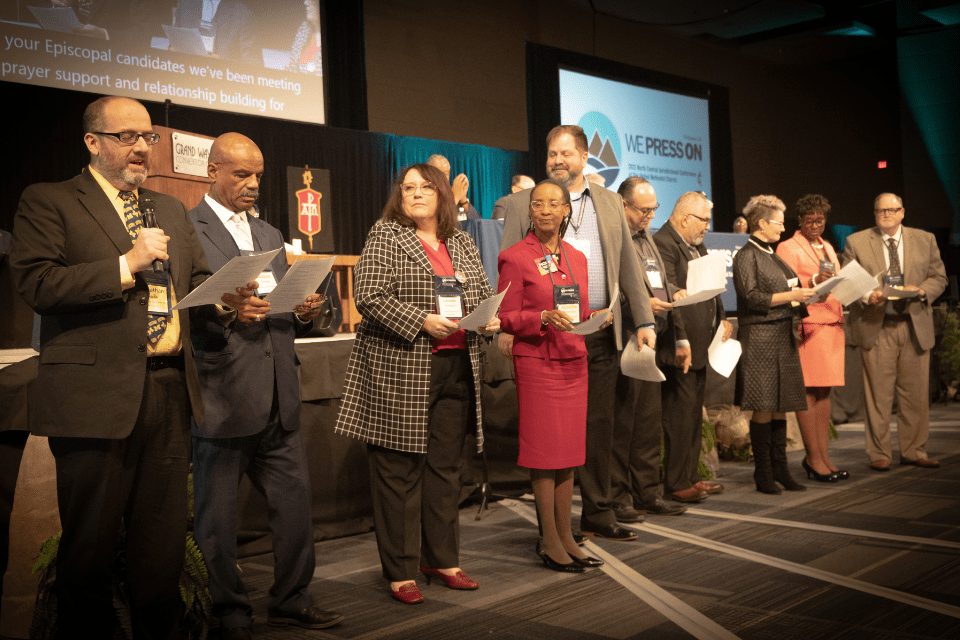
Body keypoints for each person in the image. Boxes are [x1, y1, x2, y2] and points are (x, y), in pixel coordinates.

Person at [8, 96, 216, 639]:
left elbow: (194, 286)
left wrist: (229, 299)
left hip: (168, 392)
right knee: (89, 555)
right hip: (92, 398)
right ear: (92, 142)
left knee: (161, 553)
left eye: (148, 137)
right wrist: (126, 265)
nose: (142, 148)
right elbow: (38, 284)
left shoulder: (169, 208)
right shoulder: (49, 200)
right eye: (127, 137)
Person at [188, 133, 343, 638]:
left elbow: (275, 305)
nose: (253, 183)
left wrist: (300, 309)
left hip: (280, 390)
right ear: (212, 171)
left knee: (295, 507)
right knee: (217, 516)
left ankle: (291, 598)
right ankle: (229, 609)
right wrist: (227, 311)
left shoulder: (271, 232)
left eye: (258, 174)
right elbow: (188, 312)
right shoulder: (190, 228)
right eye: (241, 174)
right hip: (224, 391)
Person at [334, 163, 499, 604]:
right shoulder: (385, 234)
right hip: (402, 367)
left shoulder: (460, 240)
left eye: (425, 187)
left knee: (445, 469)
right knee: (399, 471)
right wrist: (421, 320)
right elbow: (369, 296)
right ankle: (401, 570)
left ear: (442, 194)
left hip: (457, 365)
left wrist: (489, 318)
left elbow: (482, 292)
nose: (416, 194)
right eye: (408, 188)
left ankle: (441, 559)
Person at [494, 125, 656, 542]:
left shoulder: (607, 201)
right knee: (552, 435)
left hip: (599, 328)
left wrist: (644, 320)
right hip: (541, 336)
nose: (556, 161)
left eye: (565, 153)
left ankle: (598, 511)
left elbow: (628, 265)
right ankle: (556, 527)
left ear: (585, 158)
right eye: (551, 154)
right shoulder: (520, 204)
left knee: (599, 426)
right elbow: (509, 272)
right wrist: (508, 329)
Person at [498, 179, 606, 572]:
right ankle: (548, 540)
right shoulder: (514, 256)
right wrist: (540, 317)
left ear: (567, 212)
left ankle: (566, 536)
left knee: (569, 455)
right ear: (529, 211)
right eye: (537, 203)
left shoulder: (578, 256)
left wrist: (597, 318)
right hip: (537, 361)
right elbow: (505, 317)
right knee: (545, 455)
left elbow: (577, 308)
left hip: (574, 360)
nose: (544, 209)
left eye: (553, 203)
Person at [841, 193, 947, 470]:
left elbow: (939, 278)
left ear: (902, 212)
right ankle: (879, 454)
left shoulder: (925, 239)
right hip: (878, 325)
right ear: (874, 214)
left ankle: (915, 450)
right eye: (880, 211)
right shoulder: (857, 241)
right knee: (878, 396)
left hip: (914, 325)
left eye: (891, 210)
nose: (885, 214)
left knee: (915, 395)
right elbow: (847, 280)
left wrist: (922, 290)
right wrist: (867, 296)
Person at [610, 178, 688, 519]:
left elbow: (654, 281)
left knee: (647, 424)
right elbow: (614, 288)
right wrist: (641, 307)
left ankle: (647, 493)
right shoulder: (614, 239)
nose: (650, 216)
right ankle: (619, 498)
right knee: (622, 426)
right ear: (623, 205)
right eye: (644, 210)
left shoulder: (647, 238)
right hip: (624, 339)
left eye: (654, 209)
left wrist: (673, 293)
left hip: (651, 341)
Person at [732, 195, 814, 495]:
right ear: (762, 223)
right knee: (764, 407)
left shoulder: (771, 254)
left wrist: (806, 296)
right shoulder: (745, 255)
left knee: (782, 406)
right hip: (760, 338)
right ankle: (763, 472)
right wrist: (792, 298)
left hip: (782, 335)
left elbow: (789, 289)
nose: (782, 227)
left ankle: (781, 469)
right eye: (778, 222)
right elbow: (751, 296)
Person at [653, 192, 732, 503]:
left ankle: (691, 476)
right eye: (704, 220)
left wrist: (724, 317)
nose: (707, 227)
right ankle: (675, 482)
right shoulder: (664, 244)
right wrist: (681, 340)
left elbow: (714, 287)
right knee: (678, 417)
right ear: (685, 218)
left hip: (703, 344)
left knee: (692, 416)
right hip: (679, 345)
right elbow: (673, 300)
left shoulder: (695, 243)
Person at [776, 194, 847, 483]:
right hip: (810, 324)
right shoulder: (788, 247)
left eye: (820, 220)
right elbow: (785, 285)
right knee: (808, 390)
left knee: (825, 392)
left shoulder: (829, 246)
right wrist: (812, 282)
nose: (815, 225)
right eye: (809, 221)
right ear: (800, 221)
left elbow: (837, 278)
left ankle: (825, 457)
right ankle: (813, 457)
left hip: (833, 323)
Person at [427, 154, 480, 220]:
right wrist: (455, 198)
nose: (443, 177)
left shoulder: (451, 192)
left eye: (446, 174)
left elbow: (477, 222)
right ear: (429, 174)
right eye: (439, 173)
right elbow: (436, 220)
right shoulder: (425, 192)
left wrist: (463, 199)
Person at [286, 0, 322, 75]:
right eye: (305, 1)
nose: (305, 3)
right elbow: (292, 64)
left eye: (311, 1)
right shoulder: (304, 28)